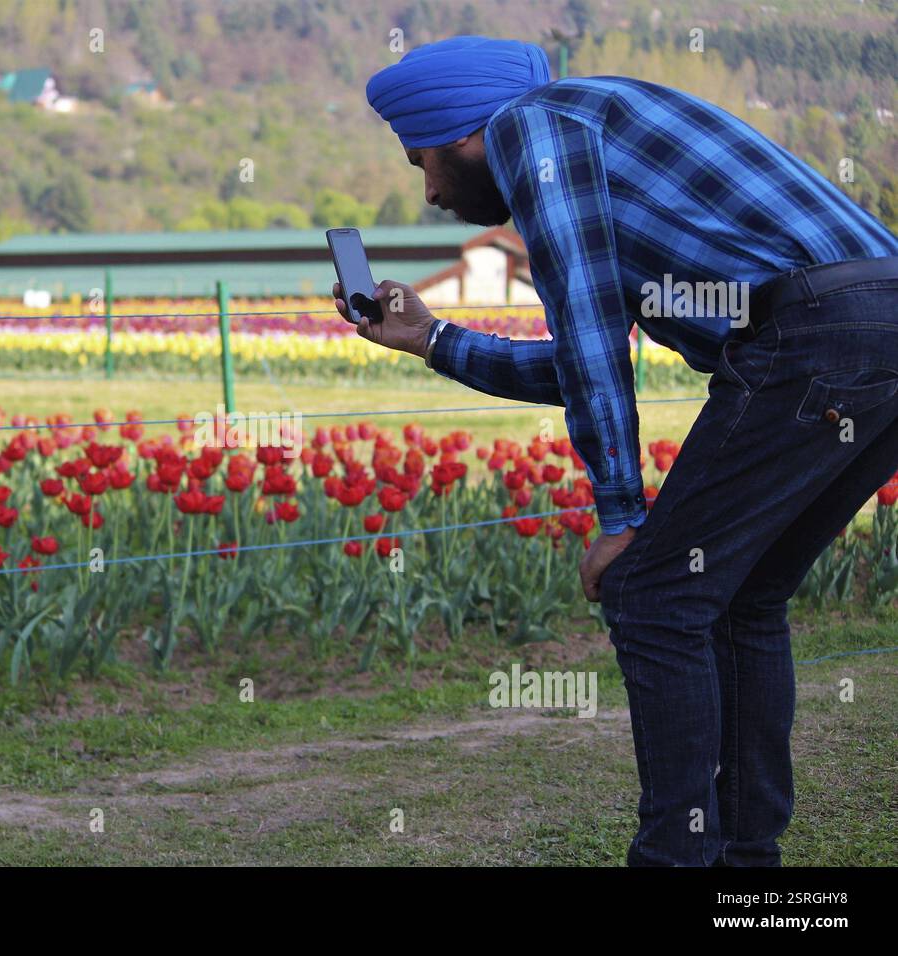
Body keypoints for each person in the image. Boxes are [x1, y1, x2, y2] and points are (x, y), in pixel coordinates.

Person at [351, 35, 898, 867]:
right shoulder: (596, 128)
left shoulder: (530, 132)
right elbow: (586, 356)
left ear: (462, 132)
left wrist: (619, 514)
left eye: (420, 157)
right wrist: (432, 341)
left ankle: (674, 859)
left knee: (652, 596)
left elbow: (589, 342)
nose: (428, 190)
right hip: (870, 329)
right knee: (741, 594)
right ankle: (746, 868)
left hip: (814, 335)